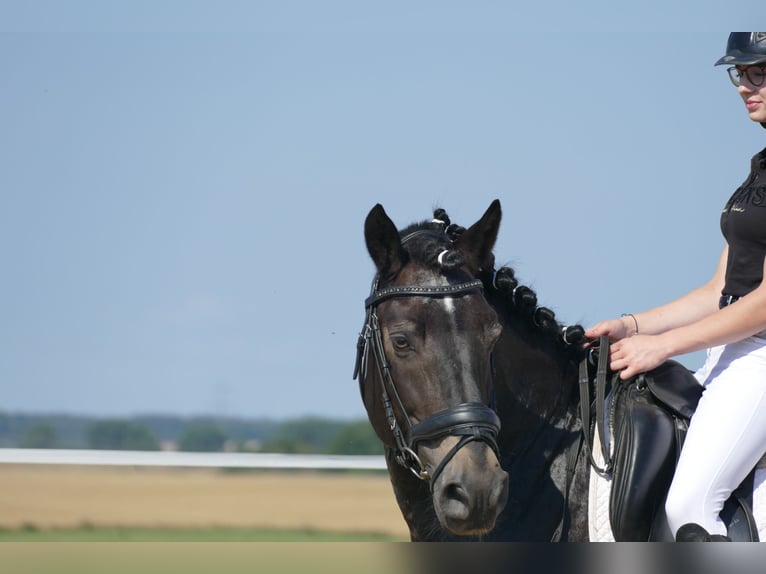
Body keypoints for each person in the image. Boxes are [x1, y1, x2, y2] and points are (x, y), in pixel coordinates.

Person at [585, 32, 766, 542]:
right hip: (735, 354)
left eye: (758, 73)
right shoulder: (760, 172)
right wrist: (631, 325)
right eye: (741, 74)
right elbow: (720, 291)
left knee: (689, 505)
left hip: (760, 357)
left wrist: (661, 347)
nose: (743, 86)